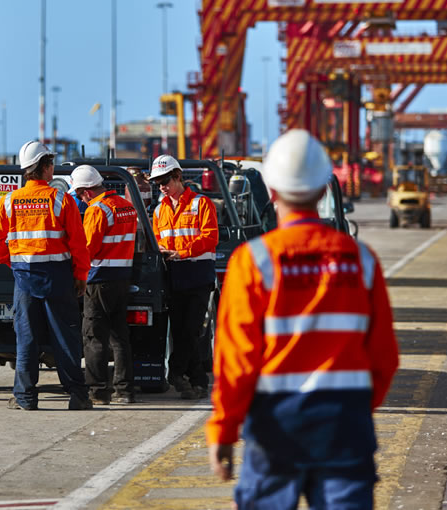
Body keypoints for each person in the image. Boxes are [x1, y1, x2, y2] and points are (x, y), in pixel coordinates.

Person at [206, 129, 399, 508]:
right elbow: (384, 358)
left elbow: (236, 363)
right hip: (345, 427)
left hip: (276, 429)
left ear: (272, 192)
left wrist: (224, 431)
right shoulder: (360, 261)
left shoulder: (253, 262)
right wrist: (354, 411)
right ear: (324, 190)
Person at [0, 141, 92, 411]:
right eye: (51, 163)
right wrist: (80, 276)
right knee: (65, 339)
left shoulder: (10, 201)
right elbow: (78, 244)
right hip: (58, 277)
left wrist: (12, 262)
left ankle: (25, 397)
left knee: (27, 339)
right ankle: (78, 396)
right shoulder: (61, 199)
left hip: (24, 278)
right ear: (44, 167)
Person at [149, 154, 218, 400]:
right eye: (158, 183)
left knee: (191, 329)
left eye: (165, 181)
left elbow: (210, 237)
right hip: (174, 275)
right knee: (180, 331)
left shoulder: (201, 204)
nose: (162, 187)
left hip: (197, 274)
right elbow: (157, 241)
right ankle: (196, 381)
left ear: (178, 177)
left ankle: (176, 372)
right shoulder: (159, 211)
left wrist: (182, 252)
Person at [70, 165, 138, 405]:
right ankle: (125, 390)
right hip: (122, 278)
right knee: (120, 337)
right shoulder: (126, 205)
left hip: (99, 279)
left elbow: (88, 248)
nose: (80, 199)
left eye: (79, 194)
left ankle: (98, 391)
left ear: (87, 191)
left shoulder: (97, 210)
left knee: (94, 336)